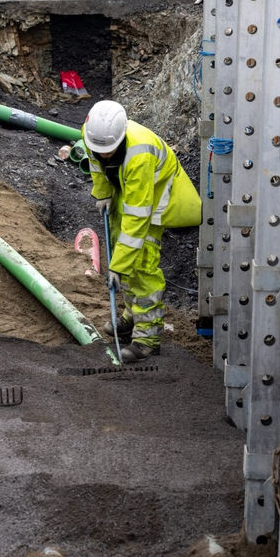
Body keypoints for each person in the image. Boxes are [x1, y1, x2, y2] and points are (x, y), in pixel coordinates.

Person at [81, 100, 201, 363]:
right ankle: (131, 315)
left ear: (121, 138)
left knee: (142, 263)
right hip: (126, 192)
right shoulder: (93, 133)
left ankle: (147, 339)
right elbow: (94, 163)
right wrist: (102, 193)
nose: (103, 155)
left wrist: (118, 267)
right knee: (118, 244)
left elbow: (136, 223)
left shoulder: (139, 155)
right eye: (99, 150)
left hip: (157, 199)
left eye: (108, 151)